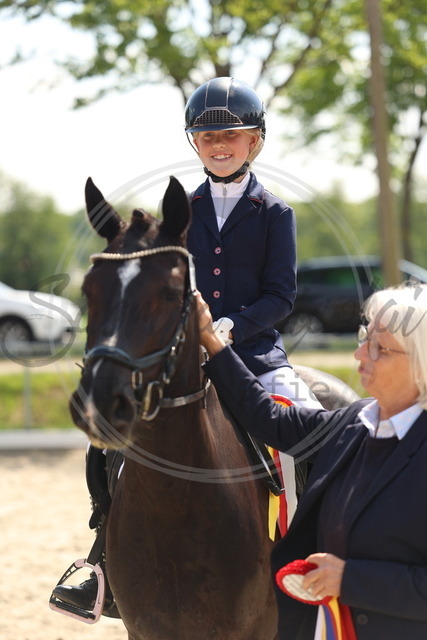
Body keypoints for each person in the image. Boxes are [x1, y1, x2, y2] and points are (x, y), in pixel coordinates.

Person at [51, 76, 320, 617]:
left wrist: (227, 329)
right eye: (207, 137)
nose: (219, 145)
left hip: (255, 356)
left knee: (307, 430)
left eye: (232, 136)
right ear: (194, 143)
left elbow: (281, 296)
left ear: (254, 142)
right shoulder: (180, 211)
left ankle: (308, 550)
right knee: (104, 445)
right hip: (182, 357)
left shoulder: (275, 213)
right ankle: (102, 564)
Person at [196, 282, 427, 640]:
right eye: (365, 338)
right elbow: (269, 418)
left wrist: (349, 580)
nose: (360, 354)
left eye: (380, 348)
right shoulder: (354, 423)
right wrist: (212, 342)